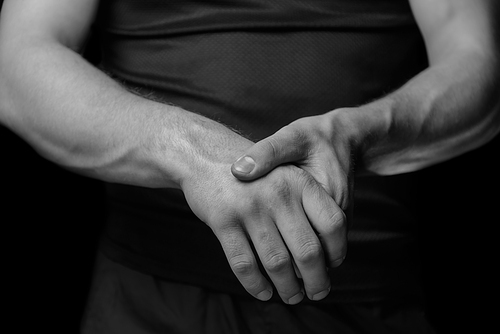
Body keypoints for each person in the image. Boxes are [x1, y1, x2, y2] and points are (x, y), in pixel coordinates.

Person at [0, 0, 498, 333]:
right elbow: (17, 61)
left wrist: (352, 132)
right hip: (148, 300)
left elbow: (477, 63)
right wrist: (193, 153)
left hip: (365, 299)